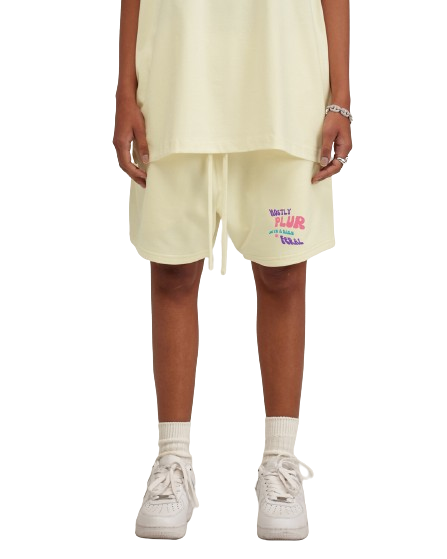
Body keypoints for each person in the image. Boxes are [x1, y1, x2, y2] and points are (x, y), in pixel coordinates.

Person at [114, 0, 352, 541]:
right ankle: (173, 460)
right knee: (172, 268)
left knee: (284, 271)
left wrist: (340, 97)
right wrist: (125, 90)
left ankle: (280, 461)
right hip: (175, 75)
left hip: (285, 79)